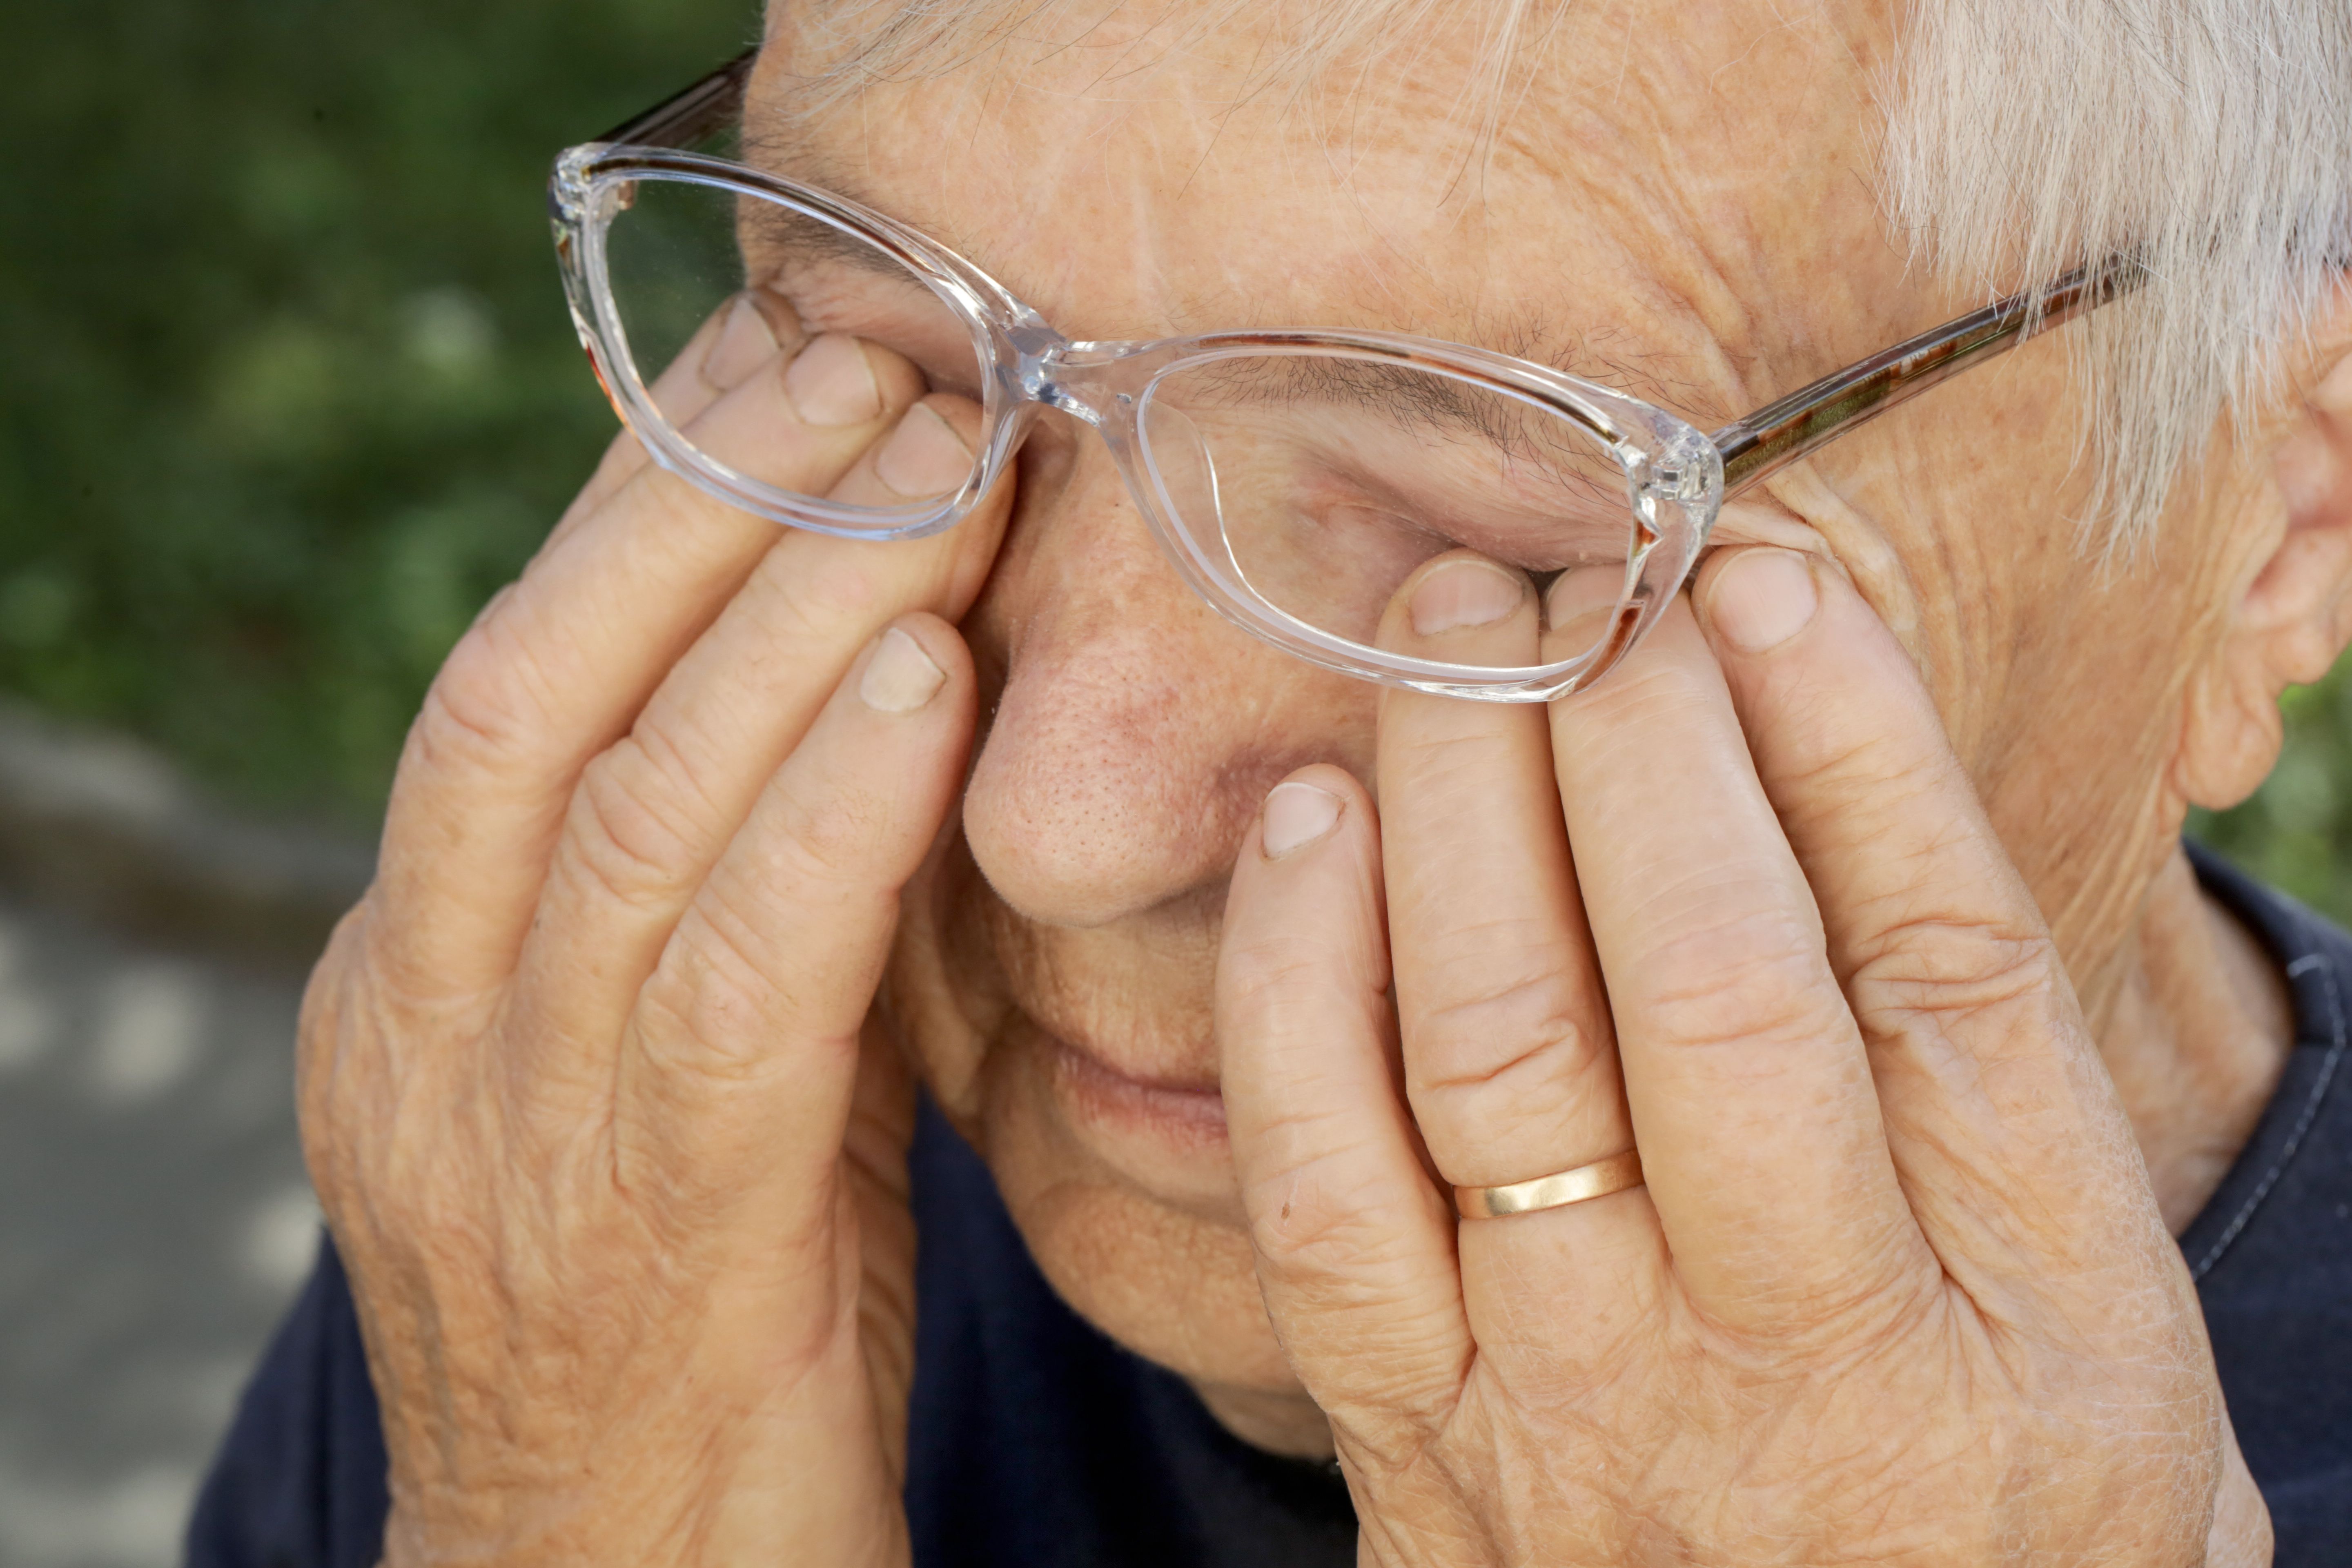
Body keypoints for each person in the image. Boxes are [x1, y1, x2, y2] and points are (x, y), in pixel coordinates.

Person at [188, 0, 2352, 1563]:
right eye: (900, 377)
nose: (1055, 826)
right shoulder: (634, 1209)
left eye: (1483, 548)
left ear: (2276, 523)